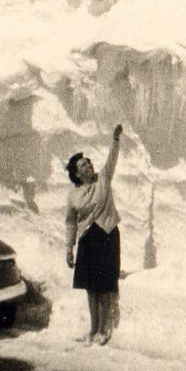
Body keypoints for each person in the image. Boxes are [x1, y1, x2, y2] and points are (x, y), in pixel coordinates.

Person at [65, 123, 124, 344]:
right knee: (91, 288)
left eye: (88, 162)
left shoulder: (103, 178)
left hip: (107, 234)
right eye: (83, 165)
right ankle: (92, 329)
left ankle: (103, 329)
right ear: (77, 174)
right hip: (87, 239)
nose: (88, 165)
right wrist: (69, 249)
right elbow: (70, 222)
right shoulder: (73, 195)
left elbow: (112, 159)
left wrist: (115, 140)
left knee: (105, 286)